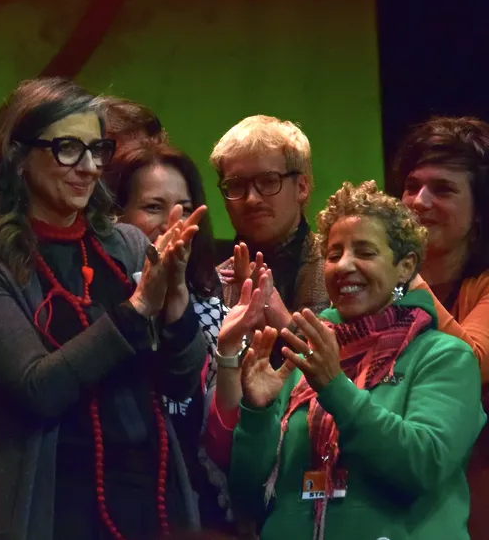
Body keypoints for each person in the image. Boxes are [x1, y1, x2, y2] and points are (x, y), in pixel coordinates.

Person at [0, 77, 208, 540]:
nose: (89, 167)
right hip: (53, 504)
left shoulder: (124, 244)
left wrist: (175, 298)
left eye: (97, 150)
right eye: (68, 148)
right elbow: (37, 390)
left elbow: (180, 380)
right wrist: (135, 310)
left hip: (150, 495)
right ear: (20, 157)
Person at [230, 181, 484, 539]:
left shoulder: (444, 355)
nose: (344, 265)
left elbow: (422, 466)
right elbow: (247, 498)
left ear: (404, 266)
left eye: (364, 252)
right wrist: (257, 413)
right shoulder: (307, 356)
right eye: (334, 255)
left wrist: (336, 388)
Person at [105, 135, 231, 529]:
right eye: (153, 207)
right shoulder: (94, 310)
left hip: (197, 516)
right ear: (115, 217)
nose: (175, 223)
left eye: (186, 209)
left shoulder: (219, 315)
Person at [391, 116, 489, 378]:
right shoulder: (386, 277)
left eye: (443, 189)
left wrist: (408, 277)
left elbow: (470, 365)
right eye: (412, 187)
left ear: (479, 210)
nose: (419, 202)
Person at [209, 115, 329, 316]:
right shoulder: (211, 282)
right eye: (236, 185)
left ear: (301, 187)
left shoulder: (338, 270)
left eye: (268, 181)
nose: (251, 199)